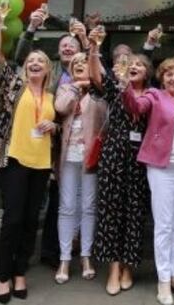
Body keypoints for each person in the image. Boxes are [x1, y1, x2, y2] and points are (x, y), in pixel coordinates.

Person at [0, 6, 58, 303]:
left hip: (41, 164)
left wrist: (54, 124)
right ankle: (3, 276)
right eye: (30, 60)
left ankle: (20, 273)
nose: (34, 63)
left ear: (48, 69)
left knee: (31, 221)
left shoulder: (52, 96)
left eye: (40, 61)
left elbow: (58, 126)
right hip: (14, 160)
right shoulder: (14, 87)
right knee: (13, 220)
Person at [14, 9, 87, 269]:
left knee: (66, 200)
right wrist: (31, 29)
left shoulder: (86, 73)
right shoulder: (50, 72)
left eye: (72, 45)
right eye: (63, 45)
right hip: (45, 146)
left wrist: (86, 38)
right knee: (49, 200)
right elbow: (22, 59)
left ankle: (63, 249)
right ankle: (46, 251)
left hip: (76, 147)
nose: (67, 48)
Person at [122, 57, 174, 305]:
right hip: (161, 168)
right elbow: (136, 107)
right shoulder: (154, 95)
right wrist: (126, 87)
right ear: (162, 78)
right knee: (163, 226)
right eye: (169, 75)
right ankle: (163, 280)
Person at [88, 29, 151, 296]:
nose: (133, 67)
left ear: (147, 73)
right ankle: (114, 267)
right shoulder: (116, 88)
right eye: (130, 64)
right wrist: (93, 49)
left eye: (139, 65)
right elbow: (95, 75)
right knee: (112, 211)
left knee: (134, 213)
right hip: (114, 154)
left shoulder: (152, 95)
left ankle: (128, 266)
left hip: (140, 158)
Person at [53, 52, 107, 284]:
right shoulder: (65, 89)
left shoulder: (99, 92)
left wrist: (90, 82)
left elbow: (104, 115)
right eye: (75, 64)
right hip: (67, 157)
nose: (79, 66)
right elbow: (61, 108)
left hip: (90, 158)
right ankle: (65, 258)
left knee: (88, 207)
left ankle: (86, 256)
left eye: (84, 63)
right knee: (66, 207)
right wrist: (76, 87)